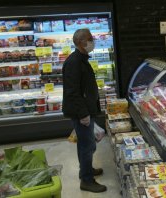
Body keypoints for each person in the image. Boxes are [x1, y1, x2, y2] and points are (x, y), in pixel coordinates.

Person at [62, 29, 107, 193]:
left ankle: (86, 170)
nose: (92, 41)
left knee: (87, 144)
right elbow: (73, 92)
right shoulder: (74, 62)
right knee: (86, 145)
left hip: (86, 110)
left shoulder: (81, 60)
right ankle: (87, 180)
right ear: (81, 42)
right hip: (81, 112)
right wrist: (83, 114)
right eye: (90, 38)